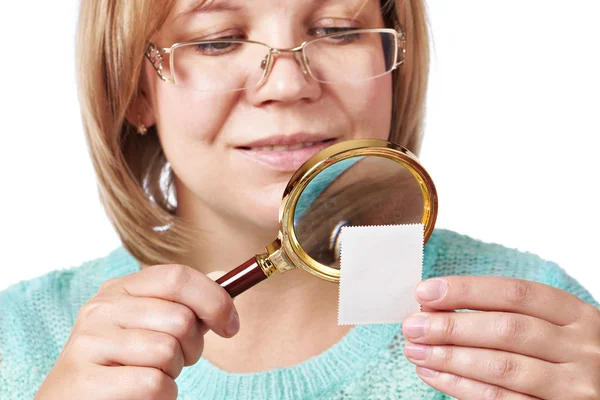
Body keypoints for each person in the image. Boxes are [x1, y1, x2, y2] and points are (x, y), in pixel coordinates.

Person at [1, 0, 598, 398]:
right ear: (137, 90)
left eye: (338, 30)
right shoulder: (19, 340)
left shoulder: (542, 331)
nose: (287, 84)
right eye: (216, 40)